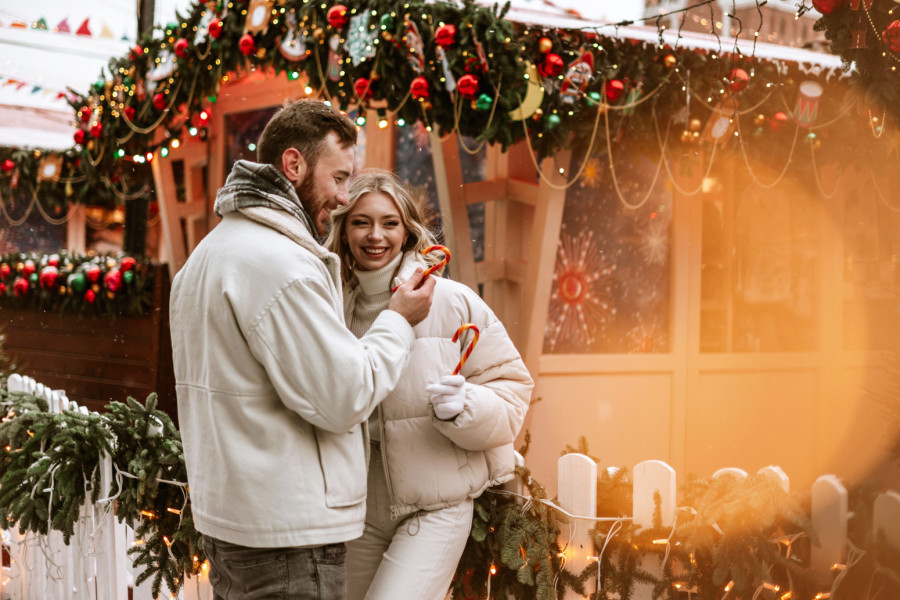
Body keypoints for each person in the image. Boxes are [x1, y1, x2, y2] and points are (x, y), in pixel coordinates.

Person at [169, 101, 435, 599]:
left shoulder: (208, 254)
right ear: (294, 165)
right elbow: (343, 394)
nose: (342, 197)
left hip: (235, 525)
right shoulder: (280, 265)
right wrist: (397, 320)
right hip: (287, 542)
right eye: (338, 177)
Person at [325, 169, 533, 600]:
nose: (375, 235)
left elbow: (512, 392)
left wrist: (467, 406)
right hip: (357, 512)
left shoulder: (451, 300)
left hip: (434, 509)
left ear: (407, 232)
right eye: (361, 222)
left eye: (389, 222)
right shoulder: (330, 309)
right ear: (343, 231)